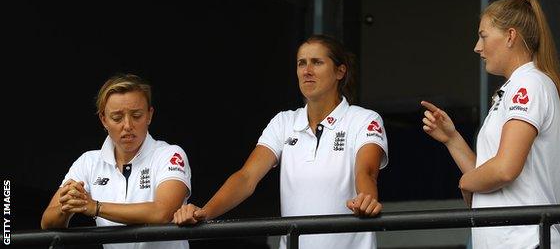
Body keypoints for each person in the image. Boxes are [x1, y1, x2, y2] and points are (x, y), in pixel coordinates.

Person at [173, 34, 389, 249]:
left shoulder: (364, 119)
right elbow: (247, 177)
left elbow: (367, 172)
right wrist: (205, 212)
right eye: (301, 63)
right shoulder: (283, 122)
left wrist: (366, 199)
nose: (307, 71)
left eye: (317, 62)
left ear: (340, 71)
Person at [421, 0, 560, 249]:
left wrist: (464, 183)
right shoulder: (514, 88)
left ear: (510, 36)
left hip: (525, 241)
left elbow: (504, 170)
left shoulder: (528, 84)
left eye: (484, 36)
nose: (477, 47)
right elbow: (487, 175)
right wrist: (452, 139)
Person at [41, 73, 192, 249]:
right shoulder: (88, 162)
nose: (127, 125)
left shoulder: (170, 154)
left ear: (149, 115)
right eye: (117, 118)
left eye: (136, 115)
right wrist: (66, 207)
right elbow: (47, 223)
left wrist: (96, 207)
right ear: (103, 119)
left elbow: (162, 212)